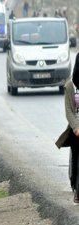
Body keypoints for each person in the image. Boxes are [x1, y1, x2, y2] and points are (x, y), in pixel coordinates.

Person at [56, 53, 79, 205]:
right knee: (77, 160)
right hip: (76, 129)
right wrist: (76, 127)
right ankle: (77, 190)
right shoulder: (71, 86)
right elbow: (69, 110)